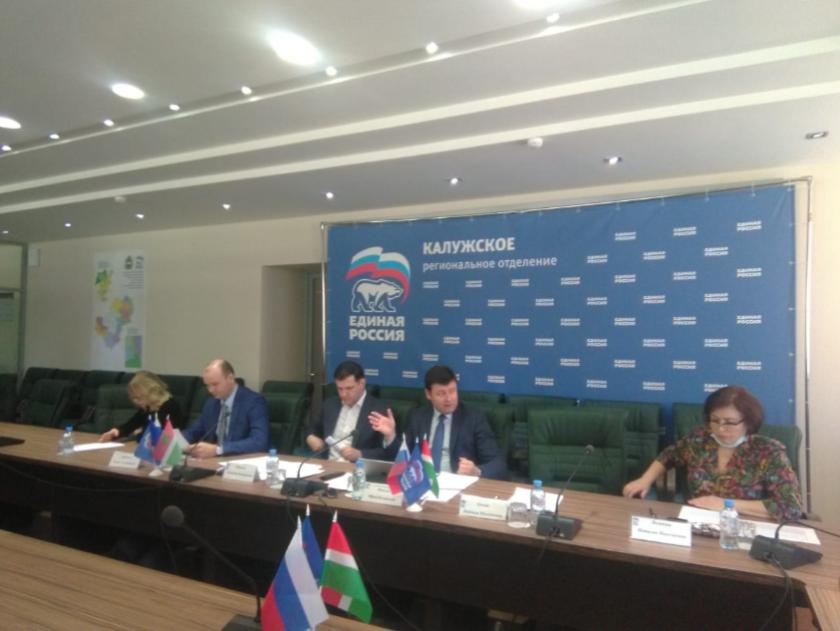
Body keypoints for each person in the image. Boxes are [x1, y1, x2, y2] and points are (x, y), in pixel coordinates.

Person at [623, 385, 802, 521]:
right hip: (699, 522)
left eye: (730, 422)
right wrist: (645, 479)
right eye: (715, 421)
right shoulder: (700, 439)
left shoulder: (768, 452)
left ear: (748, 421)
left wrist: (725, 505)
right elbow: (669, 455)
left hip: (745, 526)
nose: (721, 429)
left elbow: (790, 506)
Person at [374, 365, 506, 479]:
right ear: (428, 394)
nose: (449, 399)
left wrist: (476, 471)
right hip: (422, 484)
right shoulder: (417, 416)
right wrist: (390, 436)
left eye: (452, 391)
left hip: (457, 485)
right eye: (441, 393)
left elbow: (498, 463)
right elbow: (402, 458)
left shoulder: (474, 418)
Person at [306, 360, 391, 462]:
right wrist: (310, 437)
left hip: (357, 468)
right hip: (328, 465)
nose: (343, 394)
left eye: (349, 388)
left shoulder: (380, 410)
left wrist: (360, 454)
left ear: (362, 383)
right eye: (340, 389)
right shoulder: (329, 405)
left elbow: (388, 453)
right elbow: (312, 429)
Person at [182, 359, 269, 458]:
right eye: (207, 385)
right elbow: (195, 430)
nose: (210, 390)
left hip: (240, 461)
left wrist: (218, 450)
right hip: (213, 461)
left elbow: (259, 441)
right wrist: (177, 441)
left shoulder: (253, 402)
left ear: (230, 378)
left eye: (215, 384)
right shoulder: (211, 402)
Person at [98, 371, 186, 442]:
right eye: (133, 398)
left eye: (138, 398)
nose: (135, 401)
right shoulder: (148, 406)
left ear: (151, 393)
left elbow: (163, 436)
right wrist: (117, 431)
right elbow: (133, 423)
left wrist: (140, 433)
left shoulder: (169, 406)